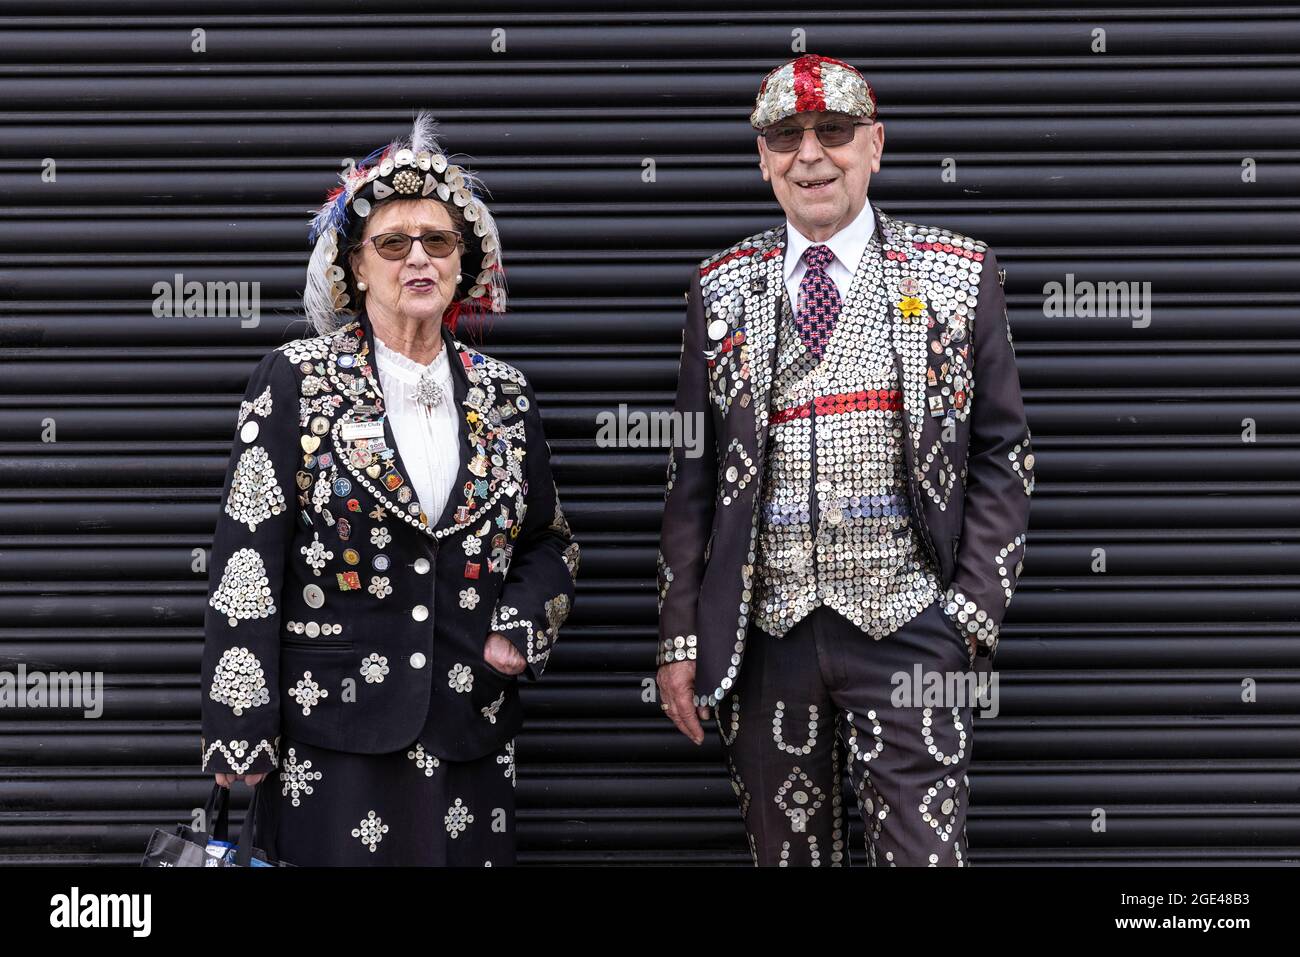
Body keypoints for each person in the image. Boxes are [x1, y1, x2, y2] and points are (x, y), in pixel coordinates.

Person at [654, 55, 1034, 866]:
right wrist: (679, 636)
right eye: (785, 136)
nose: (811, 154)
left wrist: (969, 612)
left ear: (876, 144)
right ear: (763, 159)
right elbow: (691, 476)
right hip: (767, 637)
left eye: (833, 132)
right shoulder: (718, 290)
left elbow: (1005, 451)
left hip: (909, 628)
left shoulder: (958, 274)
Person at [199, 112, 579, 865]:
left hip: (469, 728)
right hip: (331, 738)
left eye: (438, 241)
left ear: (463, 264)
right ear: (354, 266)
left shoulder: (505, 393)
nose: (418, 259)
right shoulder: (296, 378)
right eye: (393, 242)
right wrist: (239, 718)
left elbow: (550, 542)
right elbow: (248, 551)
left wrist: (522, 626)